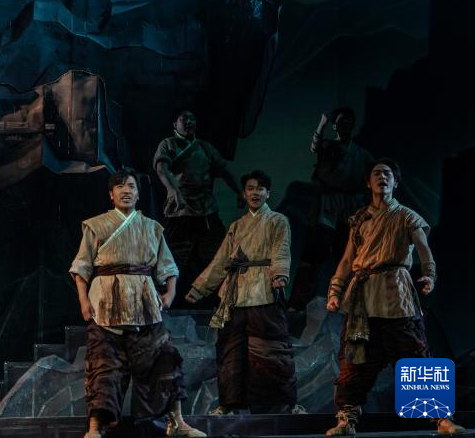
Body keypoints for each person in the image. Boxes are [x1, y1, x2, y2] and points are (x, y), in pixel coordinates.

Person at [324, 160, 463, 436]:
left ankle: (441, 419)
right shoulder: (360, 219)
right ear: (368, 182)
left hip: (396, 294)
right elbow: (348, 259)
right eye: (376, 174)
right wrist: (335, 291)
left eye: (387, 174)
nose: (382, 177)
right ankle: (346, 420)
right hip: (363, 298)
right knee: (354, 361)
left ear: (395, 183)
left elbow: (424, 250)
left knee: (416, 355)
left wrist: (429, 275)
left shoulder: (406, 216)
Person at [71, 168, 205, 438]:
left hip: (144, 304)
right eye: (120, 186)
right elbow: (81, 268)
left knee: (165, 358)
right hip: (105, 304)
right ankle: (95, 427)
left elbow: (168, 266)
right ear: (111, 195)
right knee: (103, 365)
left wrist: (170, 293)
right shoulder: (96, 225)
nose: (126, 190)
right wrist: (83, 301)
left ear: (138, 193)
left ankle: (177, 421)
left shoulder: (152, 227)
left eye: (131, 186)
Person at [186, 170, 301, 414]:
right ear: (244, 194)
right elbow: (221, 260)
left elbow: (281, 248)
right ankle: (228, 404)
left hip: (264, 288)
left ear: (268, 193)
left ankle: (285, 403)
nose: (255, 193)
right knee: (231, 350)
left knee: (272, 348)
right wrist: (200, 288)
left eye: (260, 188)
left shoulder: (277, 220)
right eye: (250, 188)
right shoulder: (237, 226)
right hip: (236, 293)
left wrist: (279, 274)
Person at [289, 108, 375, 309]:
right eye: (341, 122)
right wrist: (322, 124)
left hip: (350, 211)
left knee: (347, 259)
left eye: (349, 122)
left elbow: (374, 174)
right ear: (335, 125)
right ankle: (298, 306)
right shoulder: (328, 147)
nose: (345, 125)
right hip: (326, 210)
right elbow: (315, 146)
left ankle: (350, 305)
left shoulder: (362, 155)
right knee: (312, 259)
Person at [154, 109, 240, 288]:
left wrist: (239, 192)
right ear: (175, 124)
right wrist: (174, 191)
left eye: (192, 118)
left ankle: (212, 295)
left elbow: (224, 170)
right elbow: (161, 169)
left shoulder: (204, 147)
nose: (189, 122)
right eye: (184, 118)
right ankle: (169, 295)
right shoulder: (168, 144)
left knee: (215, 254)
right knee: (174, 256)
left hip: (205, 208)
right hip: (180, 209)